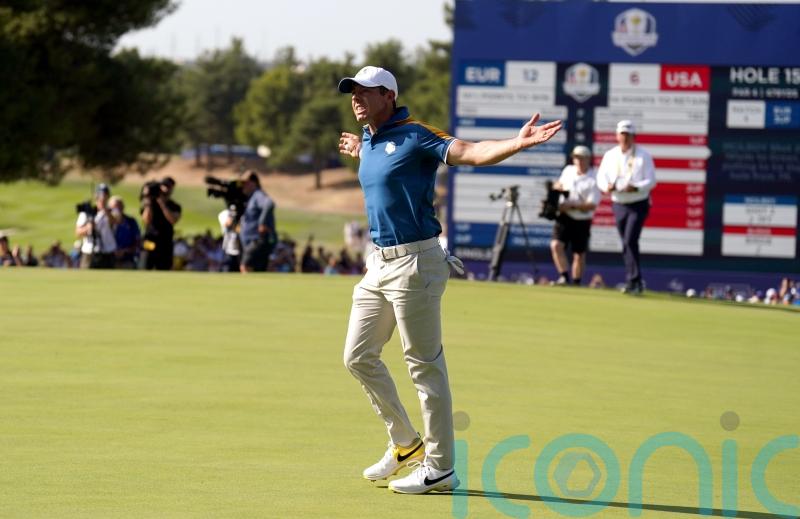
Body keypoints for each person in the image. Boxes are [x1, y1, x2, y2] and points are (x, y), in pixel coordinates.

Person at [337, 65, 562, 494]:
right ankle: (405, 444)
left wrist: (517, 142)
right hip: (378, 264)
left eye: (365, 92)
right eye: (352, 93)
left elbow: (473, 152)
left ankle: (440, 468)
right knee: (358, 356)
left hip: (416, 262)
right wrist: (359, 149)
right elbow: (379, 165)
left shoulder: (417, 134)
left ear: (389, 95)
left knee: (424, 367)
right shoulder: (368, 138)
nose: (356, 99)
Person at [596, 120, 656, 294]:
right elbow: (601, 177)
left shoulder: (643, 155)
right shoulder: (610, 155)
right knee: (626, 242)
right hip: (619, 203)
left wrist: (636, 187)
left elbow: (651, 181)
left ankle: (635, 280)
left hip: (638, 202)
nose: (624, 138)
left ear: (633, 137)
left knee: (630, 239)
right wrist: (605, 187)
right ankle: (632, 281)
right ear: (617, 136)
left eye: (628, 135)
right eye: (622, 135)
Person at [550, 145, 600, 286]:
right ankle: (564, 277)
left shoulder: (594, 177)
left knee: (578, 254)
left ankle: (576, 282)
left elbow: (592, 205)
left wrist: (572, 205)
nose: (578, 161)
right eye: (576, 157)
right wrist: (556, 186)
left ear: (588, 159)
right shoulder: (568, 170)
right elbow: (560, 184)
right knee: (556, 245)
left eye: (581, 158)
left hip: (582, 220)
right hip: (564, 216)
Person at [239, 171, 276, 273]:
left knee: (245, 266)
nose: (242, 186)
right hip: (252, 241)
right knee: (257, 270)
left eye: (244, 183)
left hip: (258, 240)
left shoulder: (258, 195)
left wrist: (262, 223)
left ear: (253, 183)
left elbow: (269, 204)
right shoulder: (250, 198)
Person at [141, 177, 181, 270]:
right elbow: (146, 220)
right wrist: (149, 203)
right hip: (149, 241)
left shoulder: (174, 206)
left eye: (169, 187)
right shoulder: (150, 204)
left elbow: (173, 220)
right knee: (146, 266)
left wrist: (162, 203)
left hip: (165, 242)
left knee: (164, 268)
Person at [75, 183, 117, 269]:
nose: (103, 198)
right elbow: (78, 232)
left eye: (105, 195)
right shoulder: (87, 212)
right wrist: (88, 227)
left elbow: (115, 222)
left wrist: (105, 210)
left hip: (107, 252)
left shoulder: (112, 211)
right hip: (89, 252)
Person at [109, 196, 141, 269]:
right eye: (114, 207)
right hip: (109, 259)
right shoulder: (105, 221)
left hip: (127, 258)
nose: (117, 209)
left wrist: (125, 251)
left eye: (119, 206)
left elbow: (137, 241)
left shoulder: (131, 222)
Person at [218, 206, 241, 272]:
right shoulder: (224, 214)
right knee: (227, 268)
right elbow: (227, 224)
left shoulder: (241, 213)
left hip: (239, 247)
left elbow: (240, 229)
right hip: (228, 247)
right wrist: (232, 216)